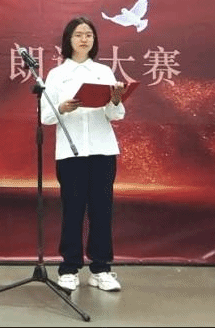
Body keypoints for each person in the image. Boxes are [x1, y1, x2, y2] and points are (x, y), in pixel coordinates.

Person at [40, 16, 126, 293]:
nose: (84, 39)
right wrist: (62, 108)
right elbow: (45, 116)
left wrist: (115, 100)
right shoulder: (57, 74)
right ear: (69, 39)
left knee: (102, 210)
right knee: (73, 210)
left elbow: (116, 114)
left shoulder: (103, 71)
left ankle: (101, 268)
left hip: (103, 149)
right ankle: (69, 268)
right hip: (71, 152)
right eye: (78, 34)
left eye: (89, 34)